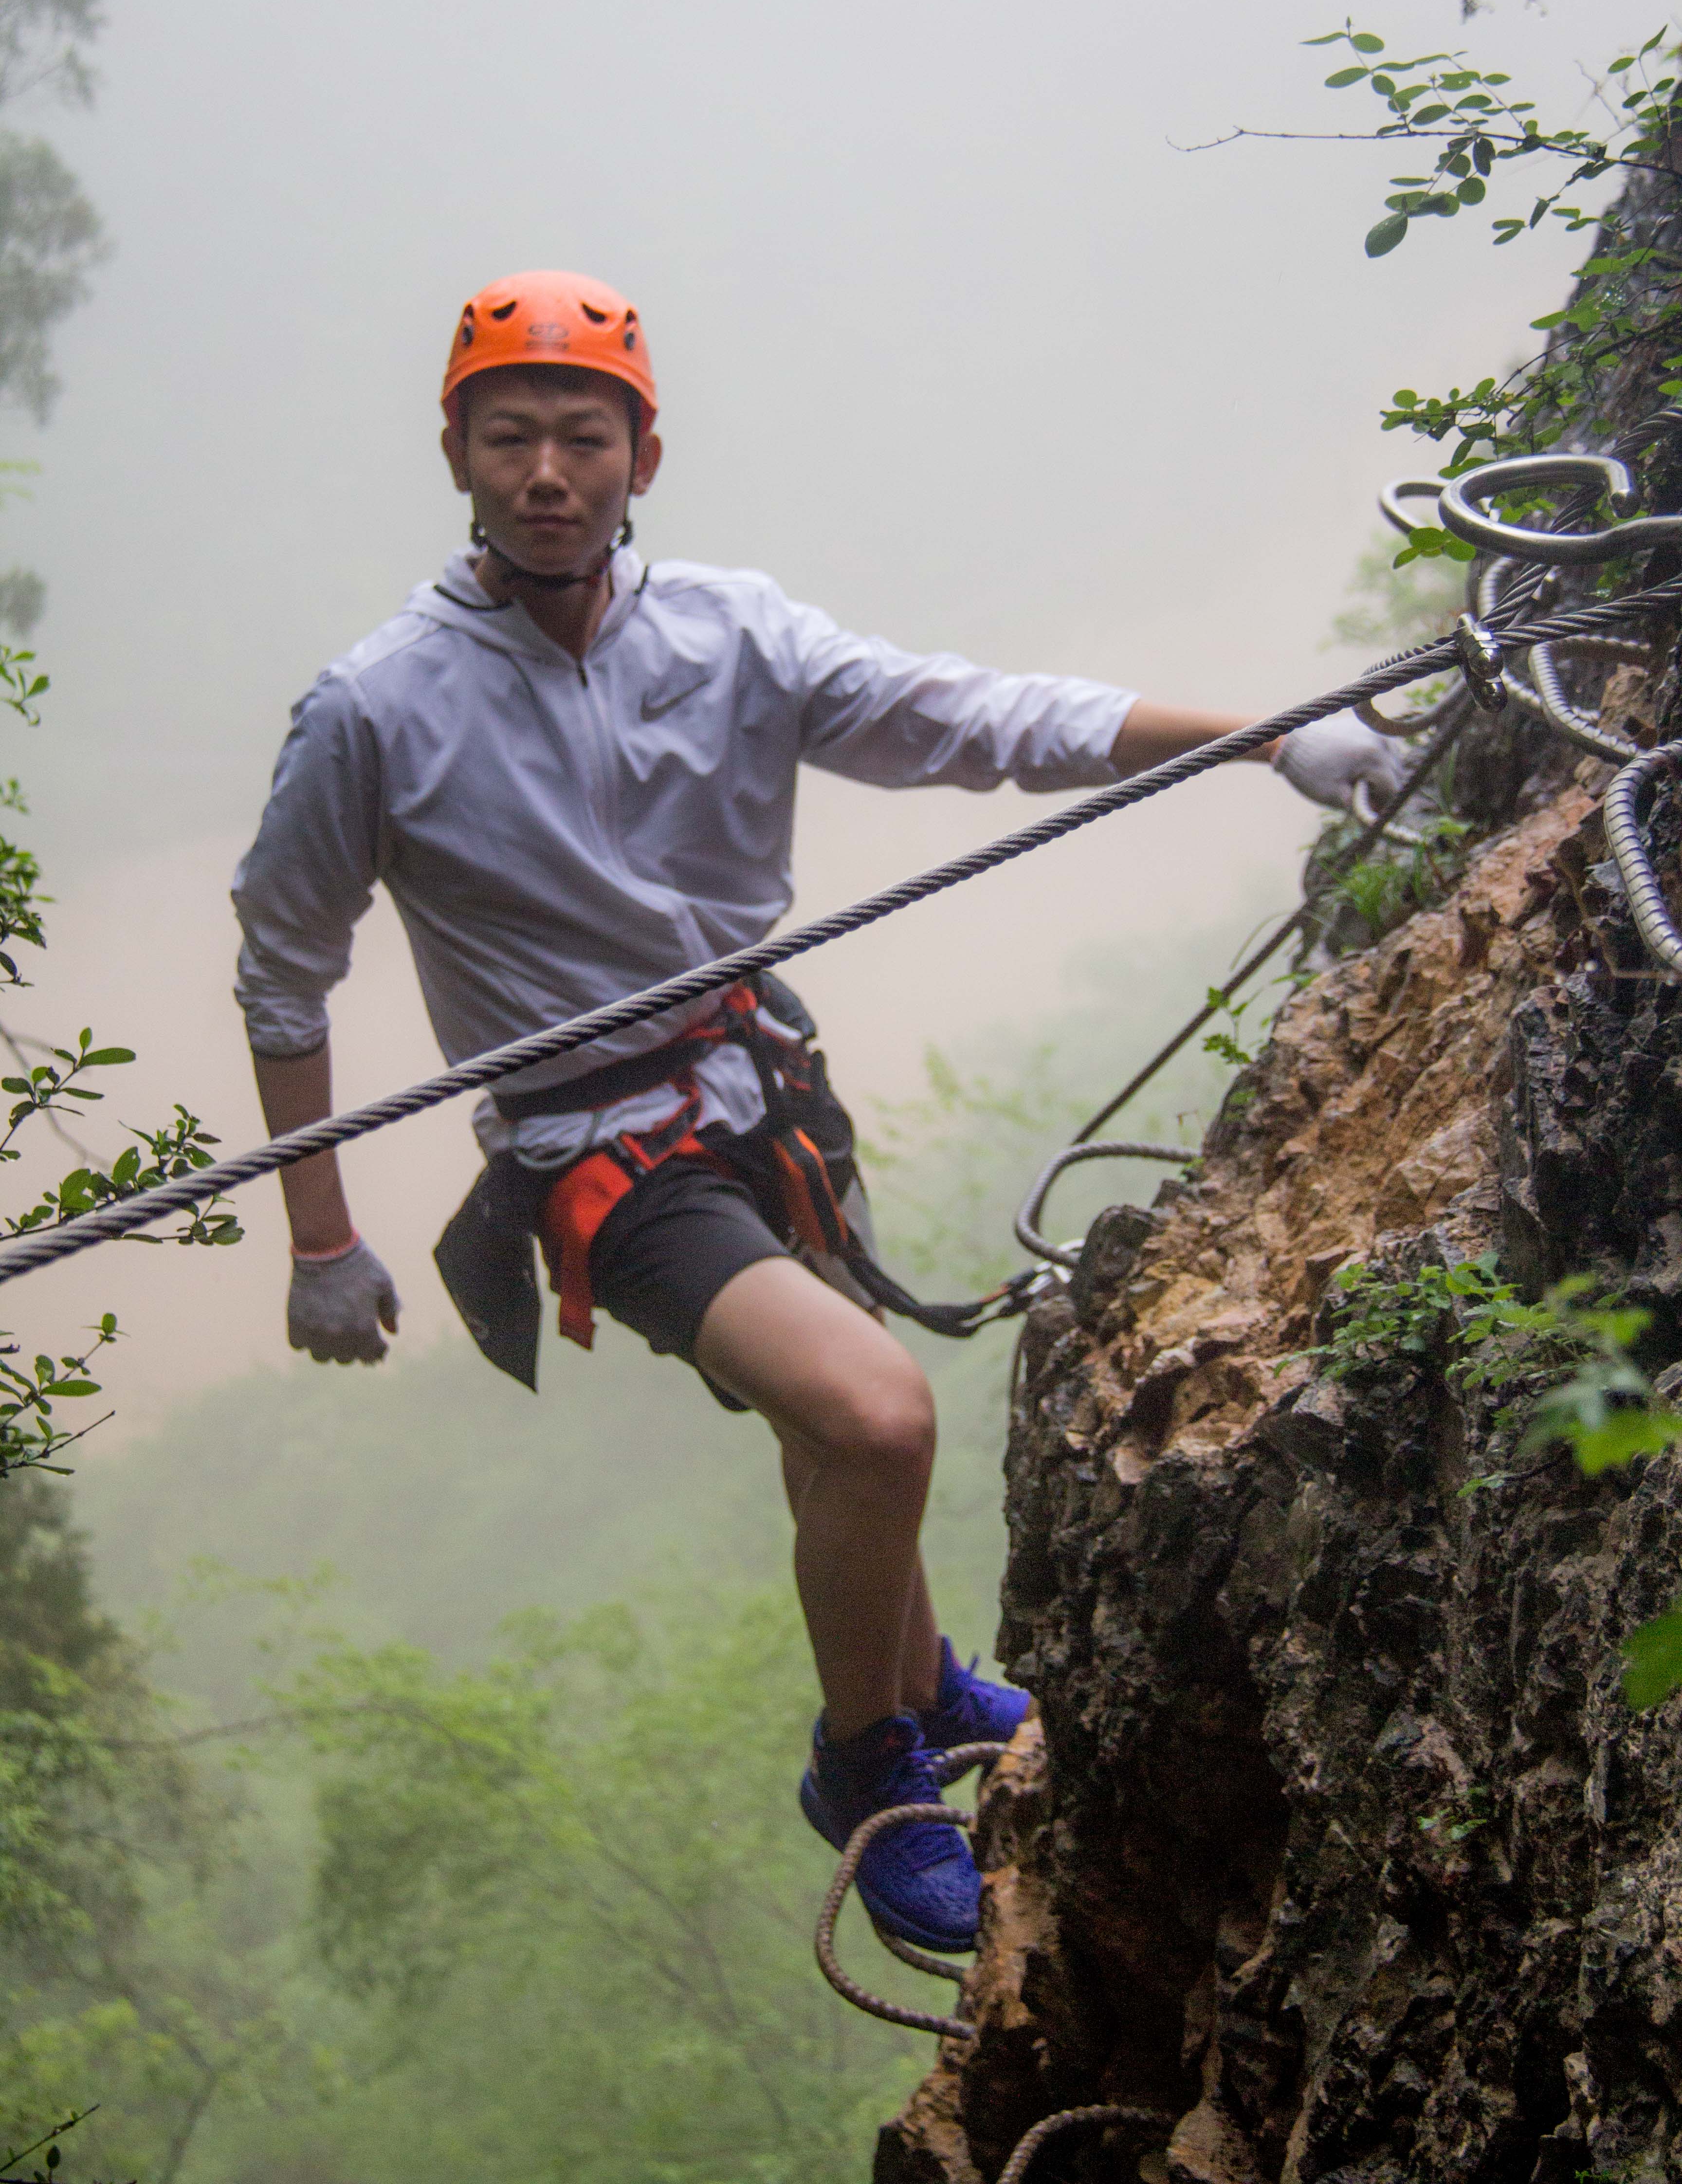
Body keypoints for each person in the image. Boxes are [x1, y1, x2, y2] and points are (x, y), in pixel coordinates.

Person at [231, 271, 1402, 1954]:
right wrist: (320, 1240)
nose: (547, 472)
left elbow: (982, 721)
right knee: (874, 1417)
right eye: (511, 438)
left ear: (645, 454)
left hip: (761, 1089)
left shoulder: (734, 634)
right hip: (595, 1153)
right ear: (455, 454)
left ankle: (923, 1688)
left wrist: (1264, 740)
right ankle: (867, 1766)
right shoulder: (374, 708)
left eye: (584, 435)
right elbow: (286, 971)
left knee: (822, 1433)